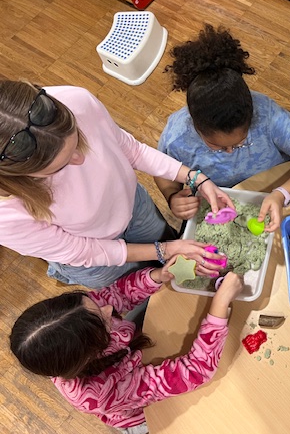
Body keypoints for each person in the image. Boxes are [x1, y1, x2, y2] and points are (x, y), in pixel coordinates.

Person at [0, 81, 232, 288]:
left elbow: (131, 149)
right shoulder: (6, 214)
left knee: (166, 255)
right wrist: (165, 250)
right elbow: (83, 251)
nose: (80, 159)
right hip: (94, 254)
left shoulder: (74, 101)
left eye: (78, 141)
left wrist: (194, 177)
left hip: (134, 207)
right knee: (138, 290)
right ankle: (60, 271)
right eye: (59, 167)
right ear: (20, 177)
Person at [9, 256, 243, 434]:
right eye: (103, 320)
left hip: (132, 356)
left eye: (94, 305)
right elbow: (195, 371)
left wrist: (157, 275)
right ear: (91, 351)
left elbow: (118, 294)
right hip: (136, 412)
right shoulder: (101, 394)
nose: (108, 309)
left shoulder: (79, 316)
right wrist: (220, 305)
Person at [156, 24, 290, 232]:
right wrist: (172, 196)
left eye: (241, 142)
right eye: (218, 147)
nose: (230, 151)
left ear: (251, 115)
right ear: (195, 126)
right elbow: (161, 171)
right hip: (221, 205)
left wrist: (282, 193)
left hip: (278, 188)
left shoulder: (268, 116)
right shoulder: (177, 137)